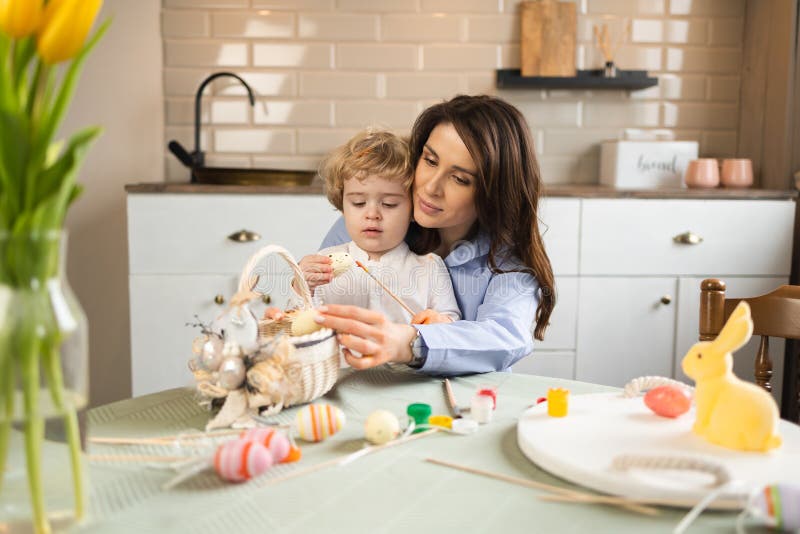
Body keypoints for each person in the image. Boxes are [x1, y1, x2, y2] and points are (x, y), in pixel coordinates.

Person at [313, 95, 556, 375]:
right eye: (429, 160)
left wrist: (411, 342)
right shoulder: (368, 222)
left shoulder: (506, 261)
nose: (430, 187)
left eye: (460, 179)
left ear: (493, 194)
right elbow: (318, 305)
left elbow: (505, 337)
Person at [296, 129, 460, 326]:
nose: (372, 214)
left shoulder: (429, 267)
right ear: (342, 207)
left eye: (389, 204)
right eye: (358, 203)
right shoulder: (324, 264)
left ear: (413, 210)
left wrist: (441, 322)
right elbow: (298, 322)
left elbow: (451, 325)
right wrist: (301, 286)